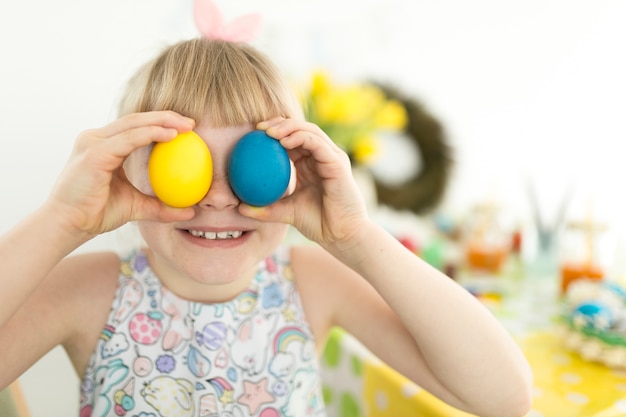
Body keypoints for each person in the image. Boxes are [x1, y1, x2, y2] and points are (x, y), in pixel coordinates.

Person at [0, 37, 532, 417]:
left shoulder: (313, 281)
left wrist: (358, 237)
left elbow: (503, 397)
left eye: (251, 165)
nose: (218, 196)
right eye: (184, 165)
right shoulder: (87, 291)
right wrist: (62, 221)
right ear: (127, 172)